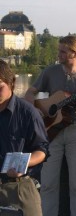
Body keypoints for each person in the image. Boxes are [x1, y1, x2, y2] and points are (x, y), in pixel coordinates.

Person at [24, 35, 76, 216]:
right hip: (50, 132)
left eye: (63, 51)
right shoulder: (50, 71)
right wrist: (37, 110)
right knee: (48, 184)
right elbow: (30, 92)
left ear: (75, 53)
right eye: (59, 50)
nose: (59, 54)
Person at [0, 59, 49, 216]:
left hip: (20, 188)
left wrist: (25, 163)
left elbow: (42, 149)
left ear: (11, 83)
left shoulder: (28, 112)